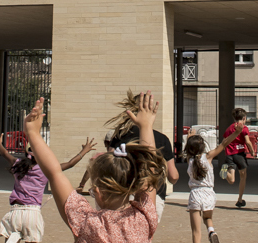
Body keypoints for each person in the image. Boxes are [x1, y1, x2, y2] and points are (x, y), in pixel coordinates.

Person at [24, 92, 165, 242]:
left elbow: (55, 174)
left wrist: (33, 133)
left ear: (98, 192)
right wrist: (146, 126)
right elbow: (149, 170)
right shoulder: (143, 219)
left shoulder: (87, 222)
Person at [0, 132, 98, 243]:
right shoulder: (45, 170)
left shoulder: (18, 164)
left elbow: (4, 153)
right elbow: (70, 164)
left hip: (15, 213)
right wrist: (84, 151)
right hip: (33, 214)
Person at [105, 90, 179, 223]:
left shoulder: (120, 135)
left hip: (122, 194)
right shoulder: (162, 139)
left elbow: (109, 165)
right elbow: (173, 177)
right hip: (152, 196)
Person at [182, 123, 245, 243]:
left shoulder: (189, 160)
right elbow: (224, 143)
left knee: (196, 232)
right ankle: (211, 231)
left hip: (195, 193)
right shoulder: (208, 157)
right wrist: (237, 132)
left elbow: (190, 150)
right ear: (203, 147)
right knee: (207, 217)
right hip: (209, 193)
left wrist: (189, 138)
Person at [219, 108, 255, 208]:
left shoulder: (229, 128)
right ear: (244, 118)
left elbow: (224, 141)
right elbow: (247, 141)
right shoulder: (244, 128)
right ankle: (239, 199)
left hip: (229, 154)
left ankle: (225, 172)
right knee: (243, 176)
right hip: (239, 154)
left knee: (231, 180)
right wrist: (252, 151)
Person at [76, 131, 115, 195]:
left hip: (103, 192)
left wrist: (81, 185)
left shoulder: (99, 157)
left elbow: (89, 171)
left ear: (105, 143)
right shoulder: (126, 157)